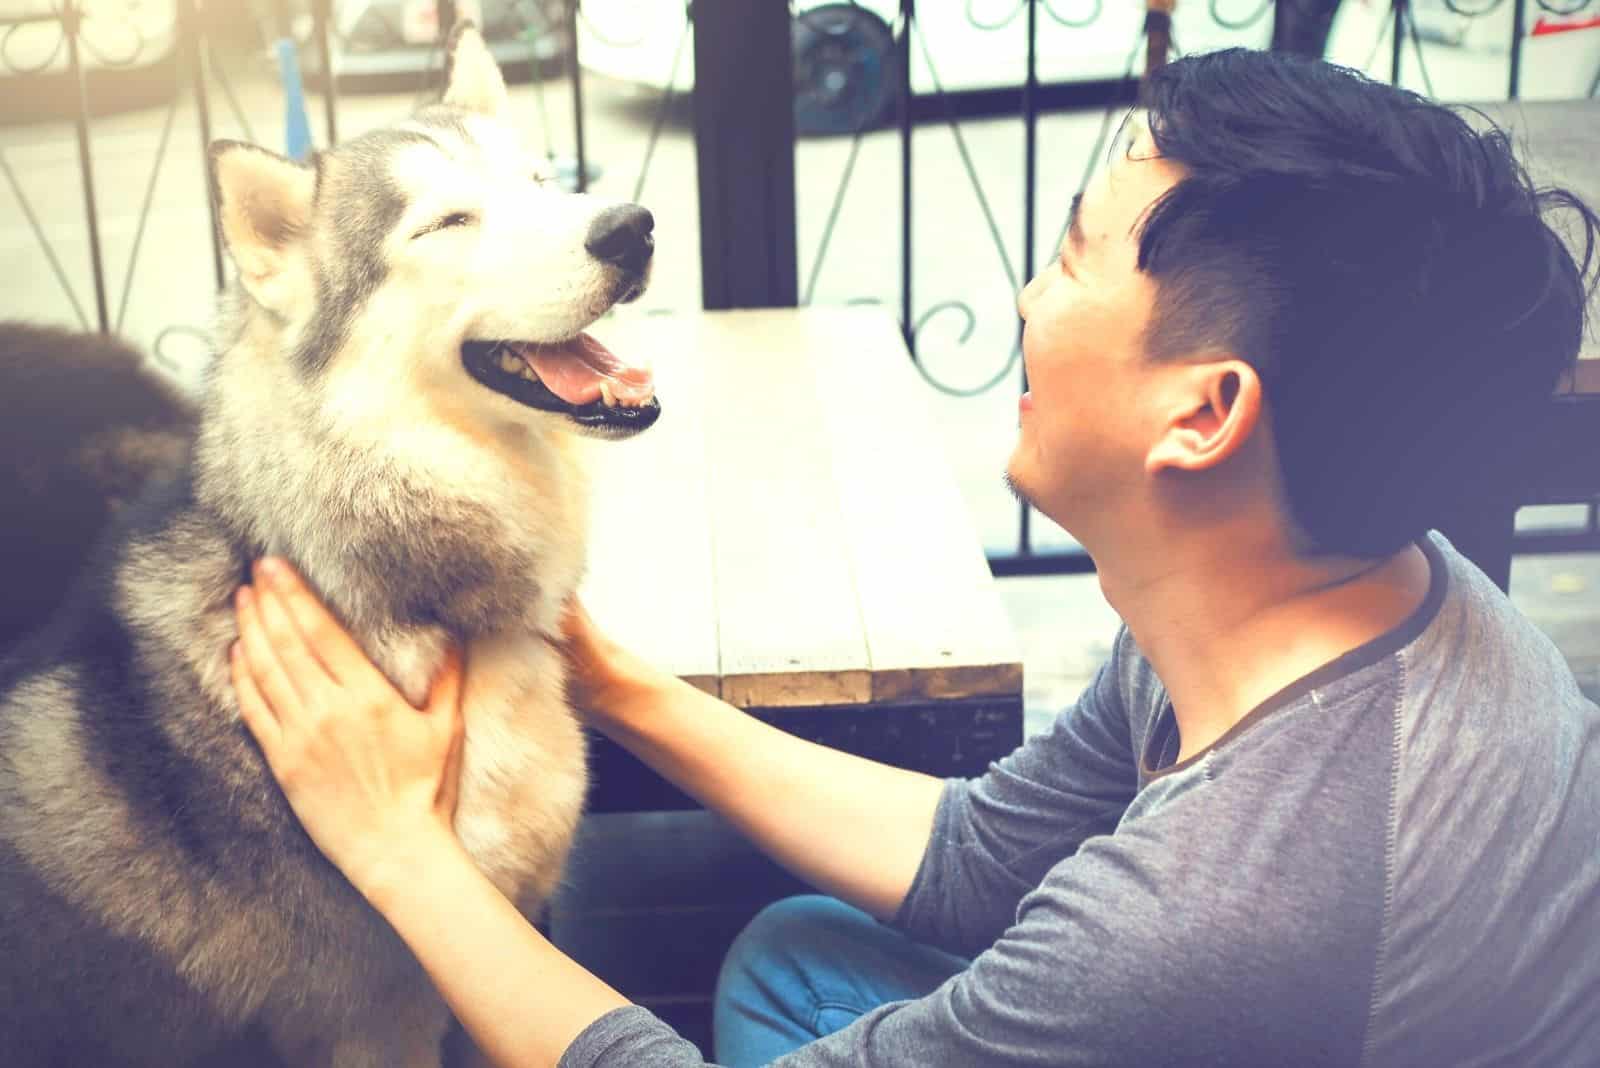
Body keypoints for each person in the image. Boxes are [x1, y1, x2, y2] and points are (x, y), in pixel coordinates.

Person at [229, 49, 1600, 1067]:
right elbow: (978, 858)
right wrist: (612, 678)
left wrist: (395, 847)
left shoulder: (1213, 918)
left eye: (1071, 260)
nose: (1023, 294)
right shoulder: (1315, 585)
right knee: (795, 956)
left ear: (1206, 412)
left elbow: (1145, 947)